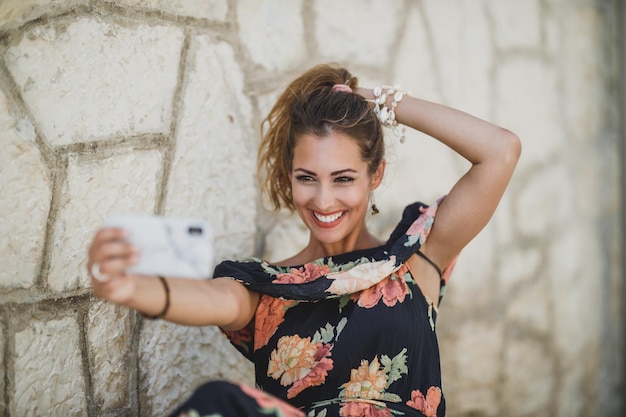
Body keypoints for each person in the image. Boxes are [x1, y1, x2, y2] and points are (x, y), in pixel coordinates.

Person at [87, 63, 521, 417]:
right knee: (218, 402)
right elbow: (210, 300)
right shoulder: (264, 288)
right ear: (289, 178)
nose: (324, 199)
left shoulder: (417, 255)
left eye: (344, 179)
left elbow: (500, 150)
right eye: (307, 178)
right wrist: (133, 289)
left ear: (377, 175)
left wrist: (379, 101)